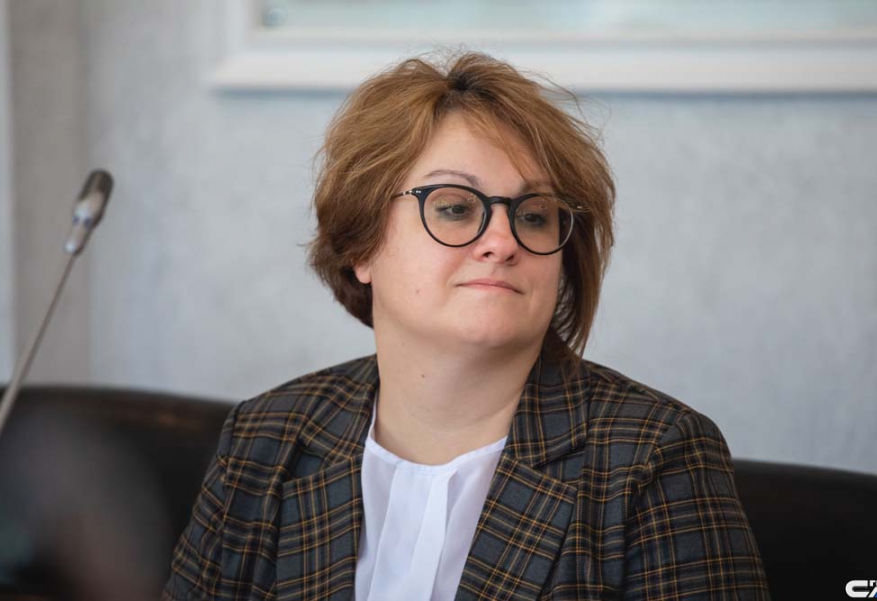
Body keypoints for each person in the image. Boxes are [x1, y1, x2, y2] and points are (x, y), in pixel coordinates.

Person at [163, 52, 770, 600]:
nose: (503, 241)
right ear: (361, 244)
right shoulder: (263, 439)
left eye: (534, 215)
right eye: (455, 207)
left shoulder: (656, 457)